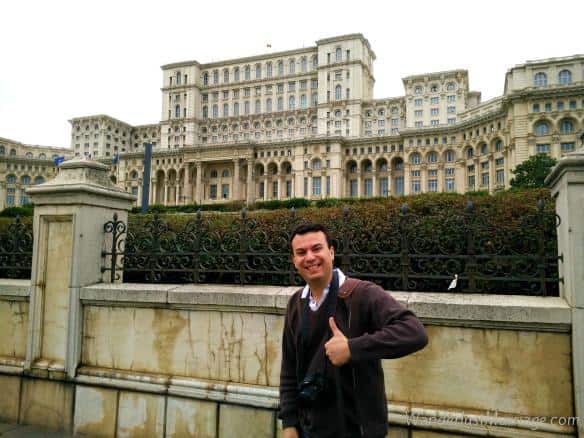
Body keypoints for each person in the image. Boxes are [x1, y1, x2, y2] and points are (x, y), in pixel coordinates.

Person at [279, 223, 428, 438]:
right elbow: (289, 369)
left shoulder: (362, 294)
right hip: (308, 430)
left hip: (356, 430)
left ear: (331, 252)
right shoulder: (296, 304)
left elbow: (414, 332)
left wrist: (353, 348)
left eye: (317, 248)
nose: (310, 257)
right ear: (294, 261)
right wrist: (289, 423)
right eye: (301, 253)